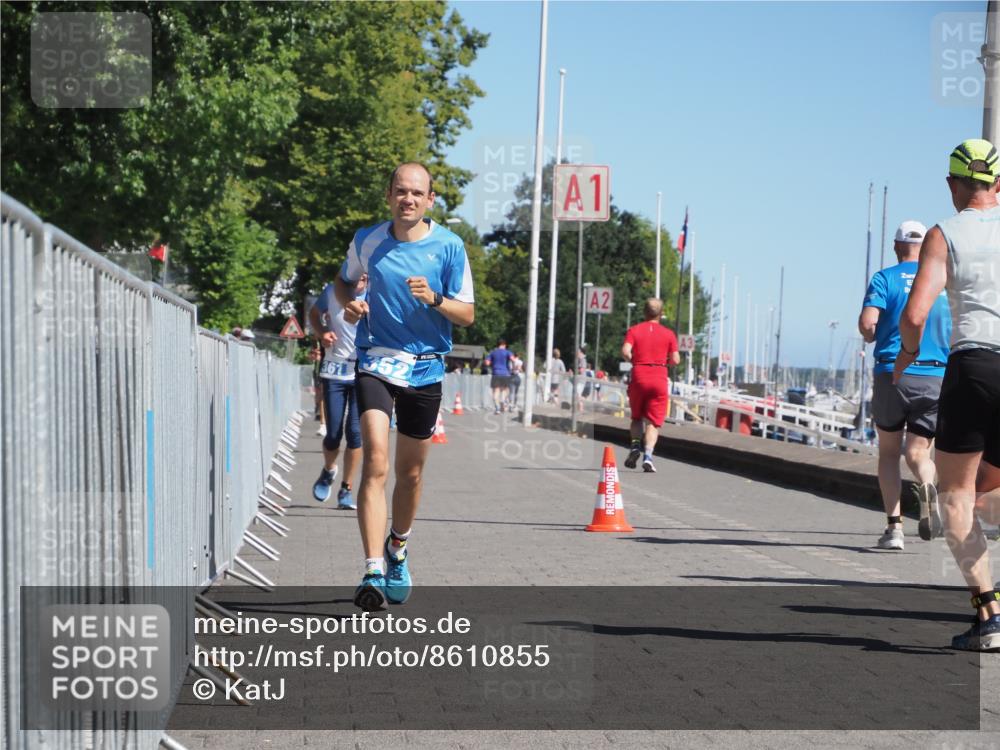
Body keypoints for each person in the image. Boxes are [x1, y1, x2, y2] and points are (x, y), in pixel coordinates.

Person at [336, 162, 475, 611]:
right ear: (389, 195)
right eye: (401, 191)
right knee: (375, 460)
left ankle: (398, 545)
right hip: (376, 361)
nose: (408, 199)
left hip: (426, 369)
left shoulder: (450, 247)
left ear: (431, 200)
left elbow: (467, 314)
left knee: (410, 474)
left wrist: (434, 299)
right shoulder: (368, 240)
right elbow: (342, 284)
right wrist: (352, 304)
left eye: (417, 193)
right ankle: (373, 567)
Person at [896, 138, 1000, 651]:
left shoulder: (944, 234)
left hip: (975, 364)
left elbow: (915, 315)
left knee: (959, 496)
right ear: (999, 183)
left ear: (952, 184)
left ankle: (989, 616)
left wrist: (908, 355)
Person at [858, 220, 951, 550]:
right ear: (925, 248)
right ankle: (927, 483)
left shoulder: (885, 278)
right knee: (918, 451)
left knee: (888, 452)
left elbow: (869, 323)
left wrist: (872, 334)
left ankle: (894, 529)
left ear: (896, 247)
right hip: (936, 376)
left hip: (893, 372)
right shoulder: (941, 282)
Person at [309, 274, 369, 510]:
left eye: (366, 274)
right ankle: (329, 470)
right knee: (333, 434)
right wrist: (322, 332)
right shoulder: (332, 291)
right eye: (357, 273)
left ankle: (346, 488)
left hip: (363, 372)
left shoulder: (377, 292)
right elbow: (314, 314)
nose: (361, 277)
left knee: (355, 433)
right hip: (334, 370)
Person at [621, 298, 680, 473]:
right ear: (661, 314)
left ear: (644, 312)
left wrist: (636, 360)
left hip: (639, 374)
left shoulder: (634, 330)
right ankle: (648, 457)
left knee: (637, 417)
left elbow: (625, 351)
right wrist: (665, 360)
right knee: (653, 422)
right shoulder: (669, 334)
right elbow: (676, 359)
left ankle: (634, 446)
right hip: (659, 377)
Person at [485, 339, 514, 414]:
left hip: (495, 373)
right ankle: (503, 400)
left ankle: (497, 408)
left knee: (496, 391)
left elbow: (487, 363)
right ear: (504, 345)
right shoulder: (507, 352)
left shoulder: (492, 352)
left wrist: (492, 364)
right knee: (505, 389)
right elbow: (513, 359)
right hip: (505, 374)